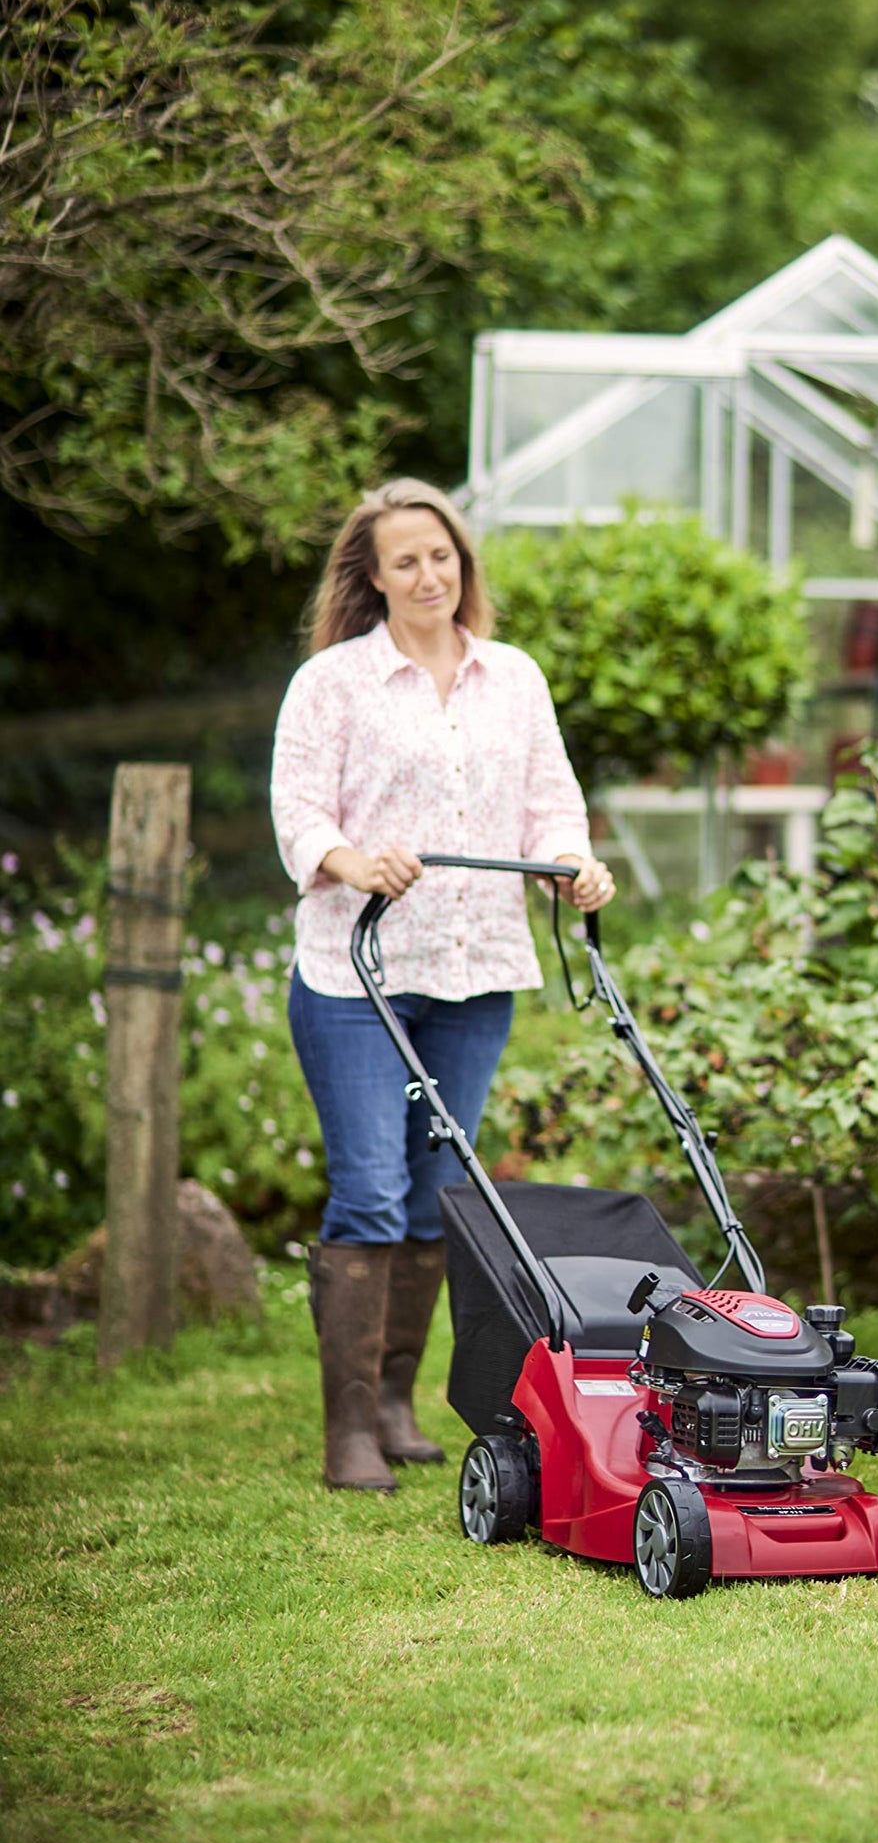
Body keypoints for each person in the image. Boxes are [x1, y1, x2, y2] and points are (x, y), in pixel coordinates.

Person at [271, 478, 614, 1492]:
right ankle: (346, 1433)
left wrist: (572, 863)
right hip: (355, 977)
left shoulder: (513, 677)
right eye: (405, 560)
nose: (429, 574)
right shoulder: (333, 683)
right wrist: (348, 860)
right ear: (372, 578)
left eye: (441, 555)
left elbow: (549, 805)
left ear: (462, 563)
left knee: (434, 1197)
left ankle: (391, 1403)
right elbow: (295, 810)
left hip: (476, 976)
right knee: (370, 1193)